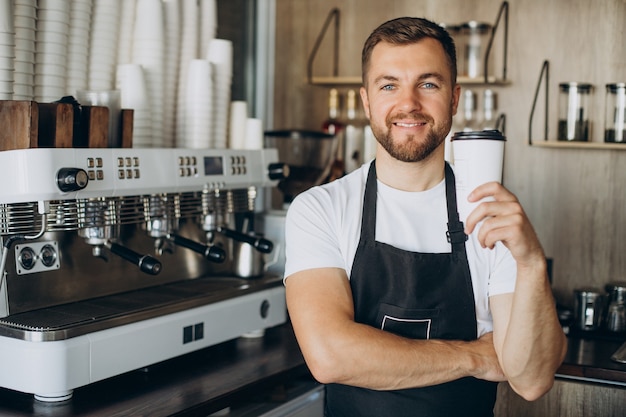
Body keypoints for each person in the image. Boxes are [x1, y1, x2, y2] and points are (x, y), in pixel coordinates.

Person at [283, 16, 567, 417]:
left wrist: (532, 262)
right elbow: (331, 356)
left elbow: (532, 380)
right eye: (389, 85)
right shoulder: (321, 209)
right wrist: (477, 358)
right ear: (367, 101)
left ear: (454, 99)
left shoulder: (492, 214)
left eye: (428, 84)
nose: (408, 103)